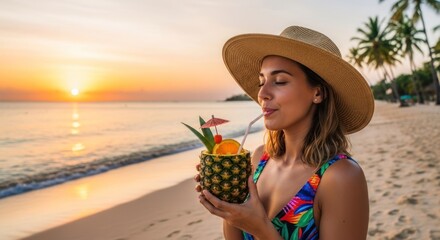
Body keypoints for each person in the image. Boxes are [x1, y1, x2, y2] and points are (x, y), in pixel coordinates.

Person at [195, 26, 374, 240]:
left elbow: (257, 230)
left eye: (279, 81)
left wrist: (261, 229)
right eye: (262, 82)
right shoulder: (259, 158)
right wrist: (227, 201)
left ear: (317, 93)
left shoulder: (341, 177)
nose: (262, 93)